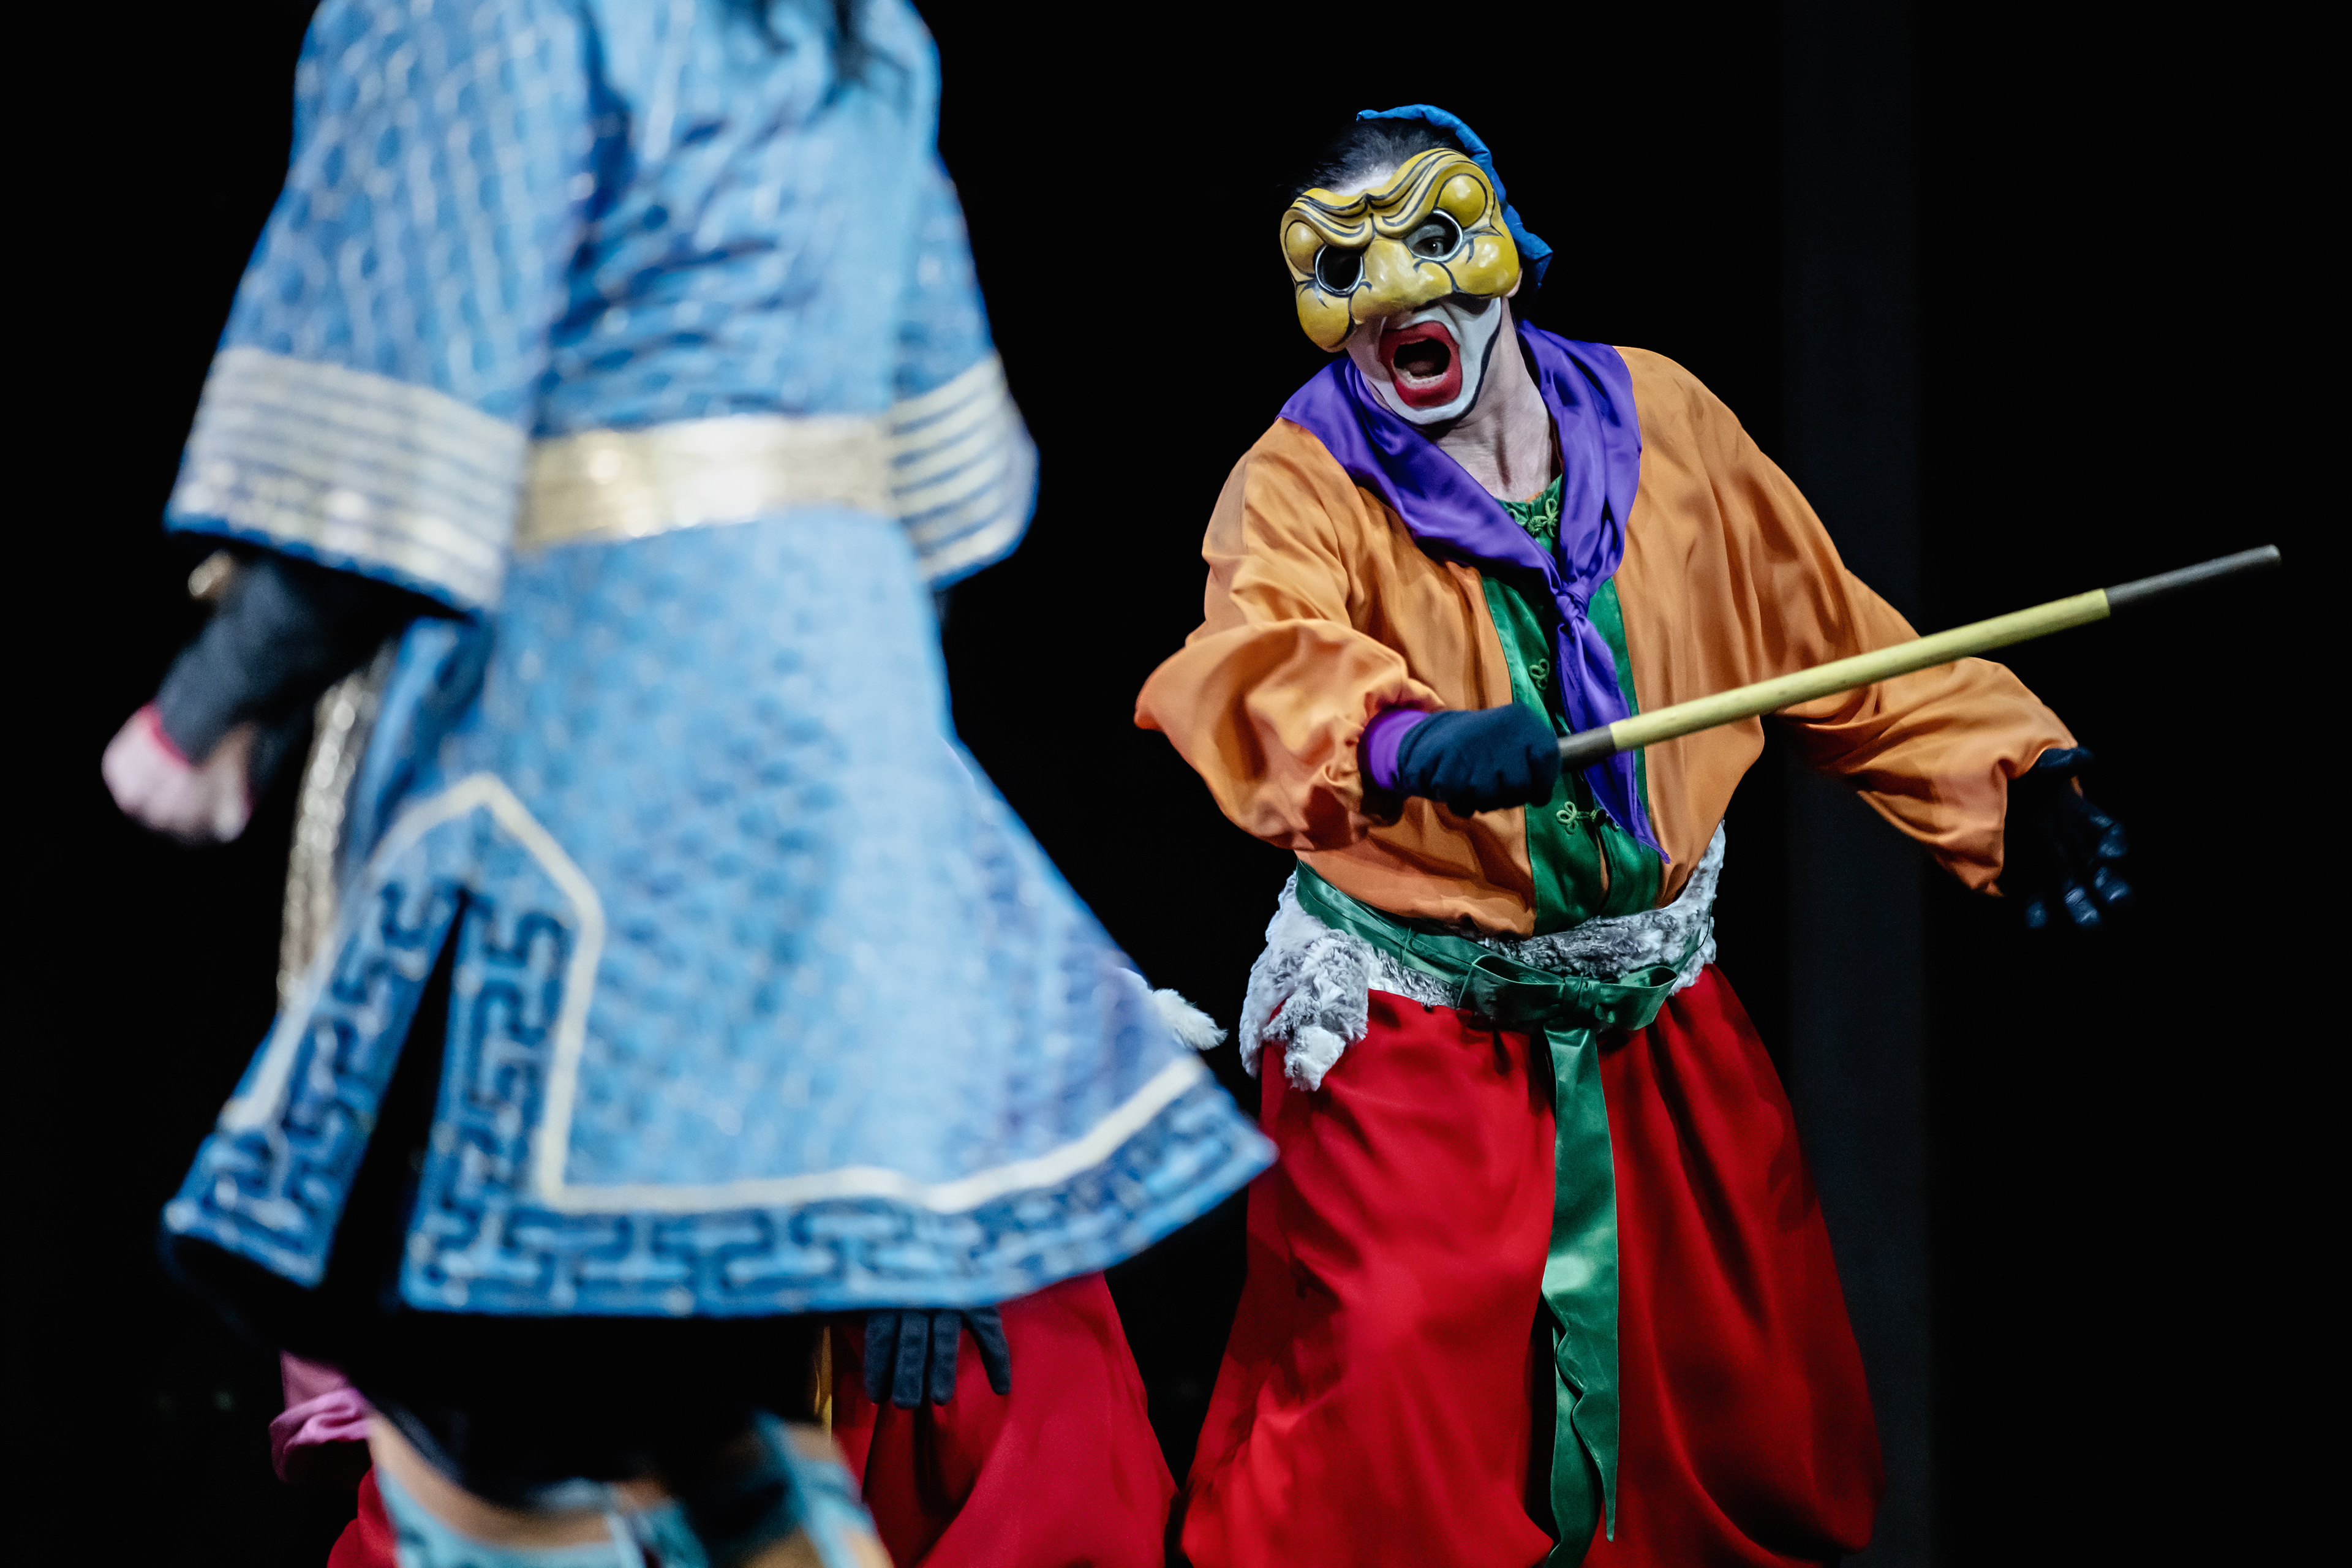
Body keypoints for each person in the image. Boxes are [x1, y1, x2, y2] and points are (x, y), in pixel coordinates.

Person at [102, 3, 1270, 1563]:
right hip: (818, 730)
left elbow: (399, 426)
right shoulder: (862, 41)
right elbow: (943, 492)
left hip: (589, 739)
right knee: (659, 1369)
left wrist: (205, 710)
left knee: (519, 1348)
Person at [1134, 105, 2130, 1568]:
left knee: (1742, 1399)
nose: (1394, 296)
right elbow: (1256, 659)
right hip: (1413, 1029)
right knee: (1389, 1409)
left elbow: (1830, 641)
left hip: (1650, 1012)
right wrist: (1405, 740)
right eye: (1345, 270)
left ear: (1502, 253)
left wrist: (2013, 773)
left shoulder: (1661, 420)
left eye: (1428, 242)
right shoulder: (1302, 475)